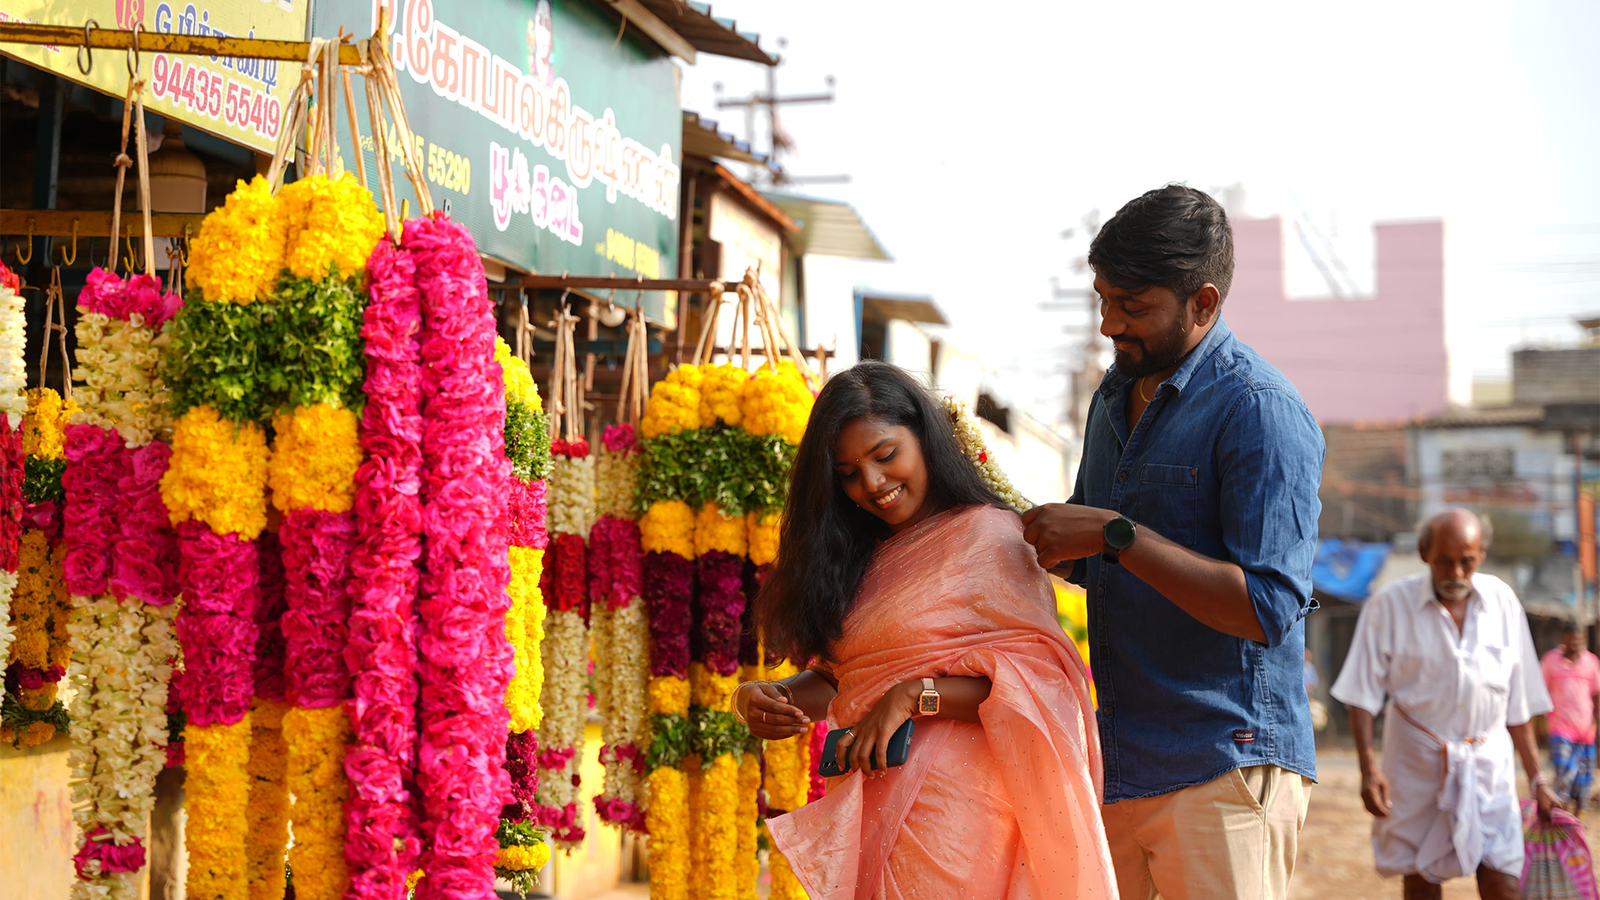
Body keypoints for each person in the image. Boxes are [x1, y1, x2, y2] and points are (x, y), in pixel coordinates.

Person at [1022, 184, 1324, 900]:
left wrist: (1114, 536)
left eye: (1132, 306)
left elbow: (1266, 607)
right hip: (1119, 761)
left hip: (1225, 765)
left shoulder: (1259, 409)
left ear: (1204, 303)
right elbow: (1097, 558)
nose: (1109, 324)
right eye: (1103, 301)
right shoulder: (1112, 394)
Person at [740, 361, 1117, 900]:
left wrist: (916, 696)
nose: (872, 484)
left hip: (962, 823)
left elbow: (1038, 685)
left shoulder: (991, 537)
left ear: (924, 436)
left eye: (885, 455)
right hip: (872, 805)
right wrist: (766, 698)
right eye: (848, 473)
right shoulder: (857, 557)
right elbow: (847, 678)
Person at [1331, 509, 1557, 900]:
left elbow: (1517, 703)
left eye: (1466, 561)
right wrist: (1368, 769)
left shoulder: (1503, 602)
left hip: (1489, 767)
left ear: (1481, 554)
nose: (1456, 573)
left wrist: (1538, 780)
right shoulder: (1388, 605)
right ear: (1424, 552)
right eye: (1444, 561)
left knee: (1503, 878)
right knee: (1420, 881)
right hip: (1415, 769)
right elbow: (1361, 695)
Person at [1541, 621, 1600, 812]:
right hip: (1561, 729)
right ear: (1563, 639)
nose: (1575, 642)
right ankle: (1563, 819)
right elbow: (1541, 693)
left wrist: (1596, 724)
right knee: (1564, 778)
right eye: (1571, 638)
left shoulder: (1591, 662)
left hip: (1586, 732)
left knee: (1584, 780)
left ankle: (1577, 820)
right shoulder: (1550, 661)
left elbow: (1596, 694)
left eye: (1578, 638)